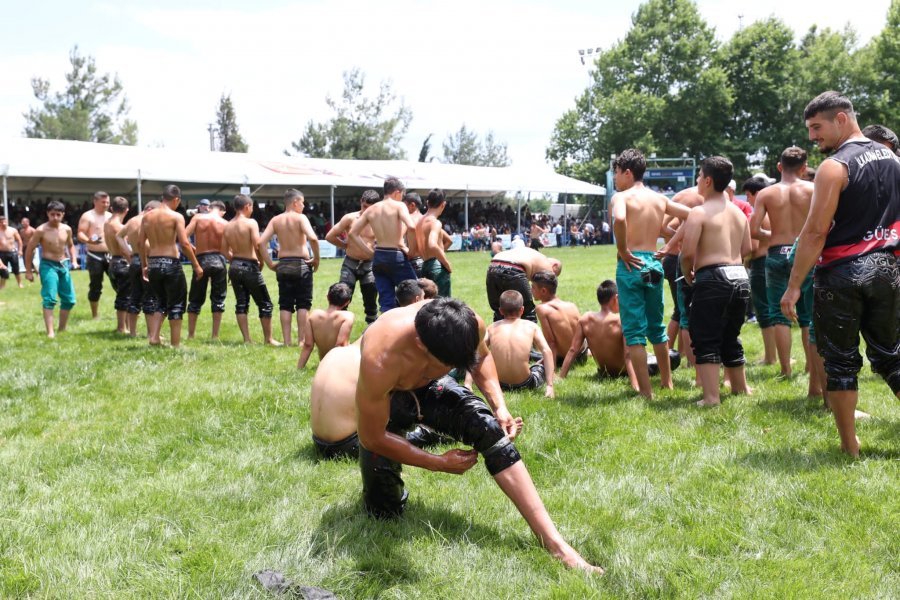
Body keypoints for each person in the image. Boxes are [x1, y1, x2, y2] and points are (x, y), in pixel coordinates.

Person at [355, 297, 602, 573]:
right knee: (384, 510)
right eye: (448, 365)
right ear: (421, 346)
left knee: (489, 430)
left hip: (427, 387)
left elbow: (481, 357)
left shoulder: (467, 324)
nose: (455, 370)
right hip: (387, 399)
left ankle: (556, 545)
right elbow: (371, 437)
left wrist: (499, 406)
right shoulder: (380, 360)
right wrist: (437, 463)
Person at [781, 91, 900, 457]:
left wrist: (793, 286)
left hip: (841, 275)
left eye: (817, 127)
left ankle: (850, 446)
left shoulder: (836, 166)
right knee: (893, 356)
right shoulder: (895, 160)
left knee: (840, 361)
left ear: (842, 119)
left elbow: (815, 232)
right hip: (888, 270)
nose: (813, 136)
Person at [611, 148, 690, 399]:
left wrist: (623, 249)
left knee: (634, 331)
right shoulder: (659, 199)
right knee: (657, 326)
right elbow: (693, 216)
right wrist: (668, 244)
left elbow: (620, 220)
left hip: (631, 263)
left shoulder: (621, 197)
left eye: (616, 172)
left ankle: (646, 392)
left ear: (627, 172)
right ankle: (667, 383)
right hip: (653, 262)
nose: (614, 178)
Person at [680, 156, 752, 407]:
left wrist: (687, 271)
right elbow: (748, 248)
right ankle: (740, 388)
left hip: (712, 277)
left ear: (708, 181)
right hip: (740, 277)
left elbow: (687, 252)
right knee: (731, 335)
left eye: (699, 176)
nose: (698, 180)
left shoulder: (699, 212)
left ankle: (711, 397)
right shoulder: (738, 212)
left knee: (705, 337)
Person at [749, 146, 815, 379]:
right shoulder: (812, 189)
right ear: (804, 167)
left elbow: (754, 230)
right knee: (807, 314)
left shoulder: (766, 194)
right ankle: (811, 367)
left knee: (778, 314)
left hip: (776, 253)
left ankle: (785, 369)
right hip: (805, 254)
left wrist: (774, 236)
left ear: (779, 167)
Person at [138, 185, 203, 348]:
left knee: (160, 302)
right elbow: (184, 243)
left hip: (153, 263)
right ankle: (175, 344)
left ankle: (154, 337)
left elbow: (140, 243)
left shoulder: (147, 217)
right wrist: (196, 265)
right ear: (176, 199)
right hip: (171, 263)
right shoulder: (176, 217)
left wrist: (144, 265)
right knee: (176, 304)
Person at [259, 189, 320, 346]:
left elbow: (260, 243)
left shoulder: (276, 220)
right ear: (295, 202)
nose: (304, 205)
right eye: (302, 202)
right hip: (301, 263)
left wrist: (270, 264)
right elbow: (313, 238)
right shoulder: (301, 218)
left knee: (285, 304)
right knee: (303, 303)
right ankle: (301, 341)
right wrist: (317, 259)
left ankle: (287, 341)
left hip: (284, 264)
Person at [348, 177, 417, 313]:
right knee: (414, 293)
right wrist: (412, 251)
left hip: (379, 256)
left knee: (386, 301)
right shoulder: (399, 206)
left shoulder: (371, 209)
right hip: (395, 254)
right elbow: (411, 227)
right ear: (398, 192)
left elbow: (352, 233)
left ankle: (387, 331)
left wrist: (369, 253)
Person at [559, 280, 638, 391]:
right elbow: (628, 355)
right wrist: (635, 385)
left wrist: (561, 377)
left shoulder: (585, 319)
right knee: (668, 357)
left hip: (604, 372)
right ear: (616, 298)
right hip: (624, 372)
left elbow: (573, 350)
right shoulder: (622, 321)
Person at [223, 194, 279, 346]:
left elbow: (223, 250)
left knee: (241, 303)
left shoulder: (227, 225)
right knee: (265, 303)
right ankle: (269, 339)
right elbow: (258, 244)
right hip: (250, 265)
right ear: (247, 206)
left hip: (234, 266)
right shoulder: (250, 223)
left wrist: (234, 261)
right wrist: (262, 262)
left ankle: (247, 339)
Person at [24, 201, 78, 338]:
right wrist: (29, 271)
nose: (55, 217)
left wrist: (74, 260)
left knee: (69, 299)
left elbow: (71, 245)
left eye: (58, 214)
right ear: (47, 214)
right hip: (48, 265)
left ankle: (62, 328)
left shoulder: (67, 229)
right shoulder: (41, 230)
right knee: (49, 298)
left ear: (63, 215)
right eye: (52, 214)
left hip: (63, 264)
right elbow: (29, 249)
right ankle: (50, 332)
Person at [485, 290, 554, 397]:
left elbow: (476, 353)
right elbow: (547, 351)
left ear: (501, 311)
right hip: (525, 384)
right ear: (522, 310)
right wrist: (550, 386)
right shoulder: (531, 326)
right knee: (539, 368)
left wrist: (468, 383)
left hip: (498, 383)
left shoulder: (492, 328)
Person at [326, 190, 379, 325]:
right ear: (361, 202)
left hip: (369, 264)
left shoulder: (379, 220)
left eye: (370, 208)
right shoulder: (350, 218)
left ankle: (371, 330)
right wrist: (345, 245)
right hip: (350, 262)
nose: (366, 210)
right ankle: (336, 328)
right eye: (364, 206)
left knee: (370, 300)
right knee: (341, 297)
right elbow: (330, 236)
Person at [741, 177, 777, 365]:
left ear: (757, 194)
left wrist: (743, 261)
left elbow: (752, 248)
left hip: (760, 264)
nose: (747, 200)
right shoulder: (777, 213)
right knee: (777, 311)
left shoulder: (757, 216)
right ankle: (781, 356)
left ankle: (770, 357)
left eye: (748, 195)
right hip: (776, 260)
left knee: (763, 311)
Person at [185, 200, 229, 340]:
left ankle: (191, 335)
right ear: (223, 211)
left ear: (209, 208)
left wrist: (195, 250)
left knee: (195, 299)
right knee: (218, 299)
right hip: (219, 259)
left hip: (202, 258)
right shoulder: (225, 223)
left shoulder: (198, 218)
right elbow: (227, 248)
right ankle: (215, 335)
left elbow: (183, 238)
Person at [117, 201, 161, 338]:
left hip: (135, 259)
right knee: (150, 297)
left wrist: (128, 252)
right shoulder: (149, 220)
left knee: (134, 297)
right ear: (150, 209)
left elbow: (118, 236)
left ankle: (133, 332)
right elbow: (146, 242)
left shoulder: (131, 220)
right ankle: (151, 334)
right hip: (147, 259)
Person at [486, 246, 561, 324]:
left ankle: (499, 334)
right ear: (554, 266)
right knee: (528, 312)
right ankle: (529, 335)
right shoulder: (547, 265)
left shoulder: (530, 254)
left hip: (493, 266)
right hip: (514, 268)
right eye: (554, 274)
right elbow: (545, 294)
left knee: (500, 310)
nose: (551, 276)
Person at [531, 271, 584, 368]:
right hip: (581, 355)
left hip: (564, 358)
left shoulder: (542, 309)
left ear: (543, 291)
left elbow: (551, 342)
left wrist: (552, 368)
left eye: (533, 287)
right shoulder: (571, 305)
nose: (531, 290)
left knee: (531, 353)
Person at [297, 282, 355, 369]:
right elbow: (341, 345)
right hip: (338, 364)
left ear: (327, 297)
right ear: (347, 303)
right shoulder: (347, 316)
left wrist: (299, 368)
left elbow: (308, 345)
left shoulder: (313, 315)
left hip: (323, 361)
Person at [77, 191, 113, 319]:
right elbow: (80, 233)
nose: (106, 204)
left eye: (108, 202)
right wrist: (88, 240)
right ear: (95, 201)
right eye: (103, 202)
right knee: (96, 285)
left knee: (120, 283)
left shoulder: (110, 216)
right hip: (94, 255)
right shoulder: (88, 216)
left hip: (110, 254)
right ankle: (95, 314)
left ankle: (122, 312)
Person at [102, 197, 132, 334]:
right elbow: (125, 249)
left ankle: (125, 326)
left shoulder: (106, 223)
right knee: (125, 297)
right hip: (122, 262)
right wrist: (133, 262)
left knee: (122, 294)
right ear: (126, 210)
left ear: (111, 208)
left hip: (112, 261)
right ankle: (122, 328)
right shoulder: (120, 227)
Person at [416, 189, 452, 297]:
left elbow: (449, 240)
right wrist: (446, 263)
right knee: (443, 306)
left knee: (428, 305)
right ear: (443, 204)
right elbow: (432, 244)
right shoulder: (435, 223)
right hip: (437, 267)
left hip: (424, 265)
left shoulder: (419, 222)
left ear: (427, 203)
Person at [403, 192, 425, 277]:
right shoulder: (426, 219)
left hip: (411, 261)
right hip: (425, 261)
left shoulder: (408, 220)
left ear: (412, 205)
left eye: (404, 206)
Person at [0, 215, 24, 289]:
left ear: (7, 222)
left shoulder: (13, 230)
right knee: (3, 269)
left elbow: (19, 240)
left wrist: (20, 250)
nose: (3, 223)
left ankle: (20, 283)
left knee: (16, 269)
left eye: (4, 221)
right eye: (1, 222)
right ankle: (2, 285)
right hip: (2, 252)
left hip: (12, 252)